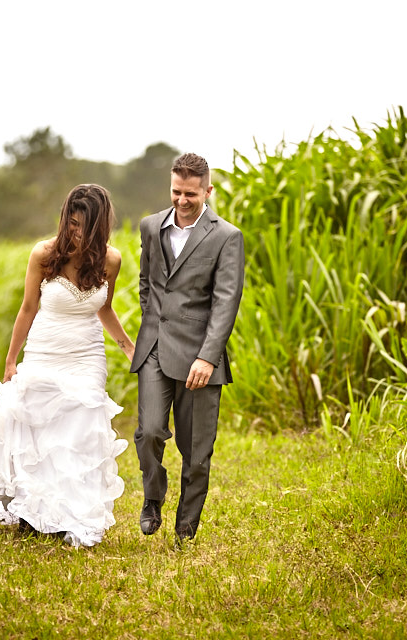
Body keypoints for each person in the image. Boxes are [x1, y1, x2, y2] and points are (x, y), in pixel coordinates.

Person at [0, 183, 135, 548]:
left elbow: (104, 308)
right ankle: (30, 511)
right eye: (72, 224)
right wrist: (10, 360)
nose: (77, 233)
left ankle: (70, 515)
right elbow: (27, 308)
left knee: (77, 430)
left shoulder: (111, 260)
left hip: (86, 356)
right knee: (36, 430)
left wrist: (129, 347)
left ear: (100, 227)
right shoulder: (44, 254)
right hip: (44, 350)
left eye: (85, 226)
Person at [130, 153, 245, 544]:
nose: (182, 200)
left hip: (200, 357)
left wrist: (207, 357)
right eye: (177, 191)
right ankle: (152, 497)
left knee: (196, 452)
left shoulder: (227, 237)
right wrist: (152, 324)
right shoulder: (150, 227)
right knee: (148, 432)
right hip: (155, 350)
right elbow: (146, 283)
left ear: (207, 191)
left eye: (191, 194)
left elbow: (226, 302)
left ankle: (186, 528)